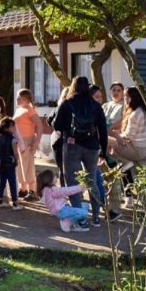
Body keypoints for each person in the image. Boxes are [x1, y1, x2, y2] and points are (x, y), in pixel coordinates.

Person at [52, 76, 108, 230]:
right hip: (92, 147)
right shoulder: (96, 106)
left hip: (71, 146)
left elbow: (57, 125)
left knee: (73, 183)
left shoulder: (67, 104)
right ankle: (96, 217)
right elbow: (103, 130)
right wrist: (103, 151)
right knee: (91, 181)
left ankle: (81, 220)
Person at [110, 87, 146, 207]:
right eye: (124, 96)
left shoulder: (135, 114)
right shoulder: (143, 111)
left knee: (107, 141)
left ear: (134, 98)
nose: (125, 99)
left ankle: (126, 162)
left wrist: (115, 135)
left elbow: (129, 135)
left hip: (137, 150)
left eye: (127, 96)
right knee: (143, 180)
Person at [89, 85, 122, 225]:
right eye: (96, 97)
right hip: (95, 152)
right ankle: (102, 211)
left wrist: (114, 136)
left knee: (111, 179)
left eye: (100, 97)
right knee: (97, 181)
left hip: (105, 151)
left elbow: (107, 128)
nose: (99, 100)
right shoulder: (90, 112)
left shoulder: (101, 110)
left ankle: (112, 210)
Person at [13, 89, 43, 200]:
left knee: (28, 165)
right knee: (20, 165)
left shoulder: (30, 110)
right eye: (18, 97)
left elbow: (39, 125)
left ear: (27, 100)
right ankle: (23, 189)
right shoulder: (19, 109)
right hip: (18, 140)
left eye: (21, 98)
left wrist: (36, 143)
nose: (18, 100)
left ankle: (32, 190)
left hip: (27, 140)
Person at [0, 116, 22, 210]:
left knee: (2, 183)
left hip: (1, 165)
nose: (15, 128)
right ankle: (15, 203)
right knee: (12, 183)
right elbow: (15, 153)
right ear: (8, 128)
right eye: (13, 126)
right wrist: (17, 161)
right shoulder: (13, 139)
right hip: (10, 164)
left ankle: (0, 201)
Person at [48, 87, 70, 188]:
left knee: (67, 167)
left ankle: (69, 188)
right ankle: (64, 188)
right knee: (63, 167)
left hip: (66, 141)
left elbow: (49, 121)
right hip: (58, 141)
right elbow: (49, 121)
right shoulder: (58, 109)